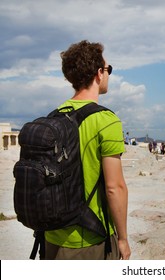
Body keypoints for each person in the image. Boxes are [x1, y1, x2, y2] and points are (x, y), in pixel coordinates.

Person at [44, 40, 131, 260]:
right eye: (108, 69)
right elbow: (115, 188)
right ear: (99, 73)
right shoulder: (106, 120)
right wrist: (122, 238)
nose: (108, 74)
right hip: (91, 238)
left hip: (51, 236)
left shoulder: (53, 117)